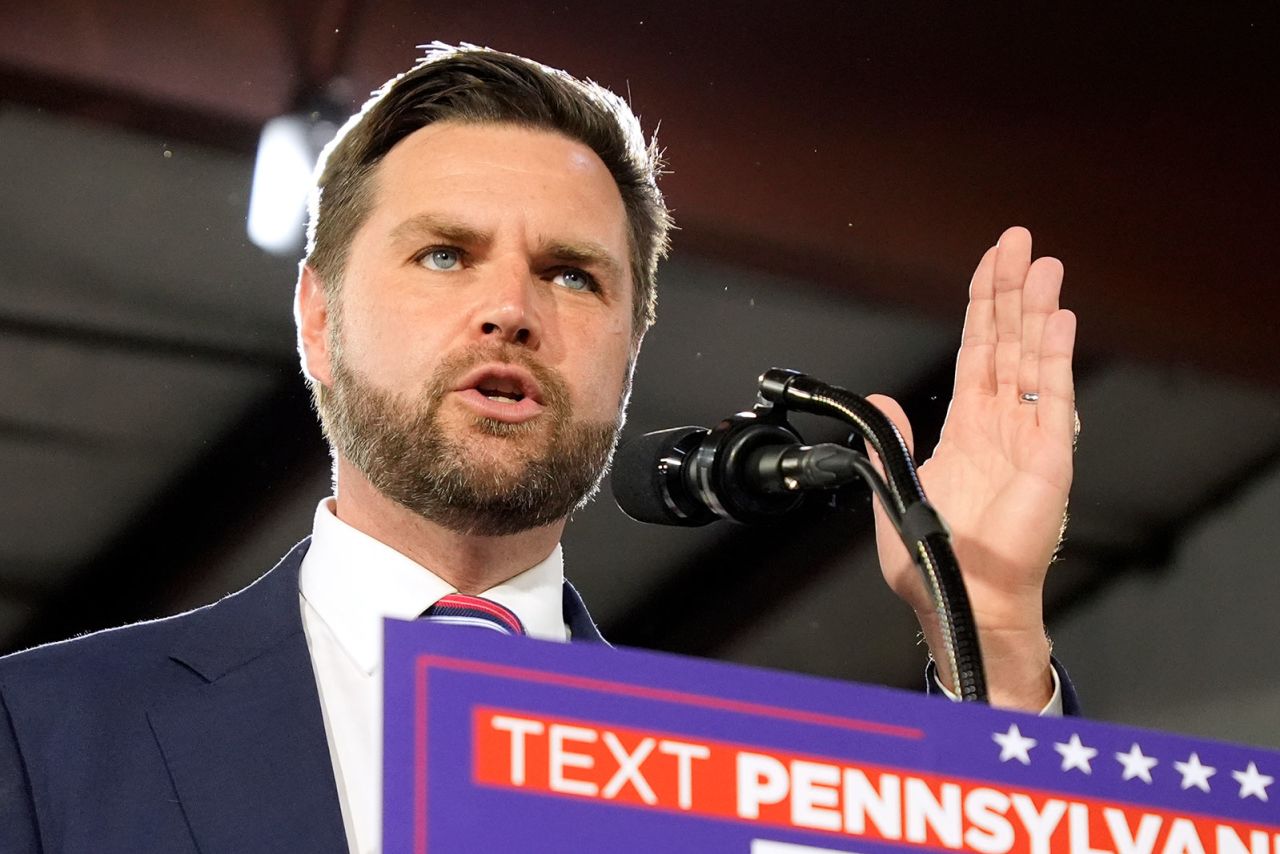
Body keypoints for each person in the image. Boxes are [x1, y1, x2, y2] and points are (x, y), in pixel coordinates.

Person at [0, 44, 1078, 852]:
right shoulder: (45, 730)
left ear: (630, 348)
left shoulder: (734, 799)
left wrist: (989, 639)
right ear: (319, 321)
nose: (509, 308)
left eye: (572, 273)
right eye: (444, 254)